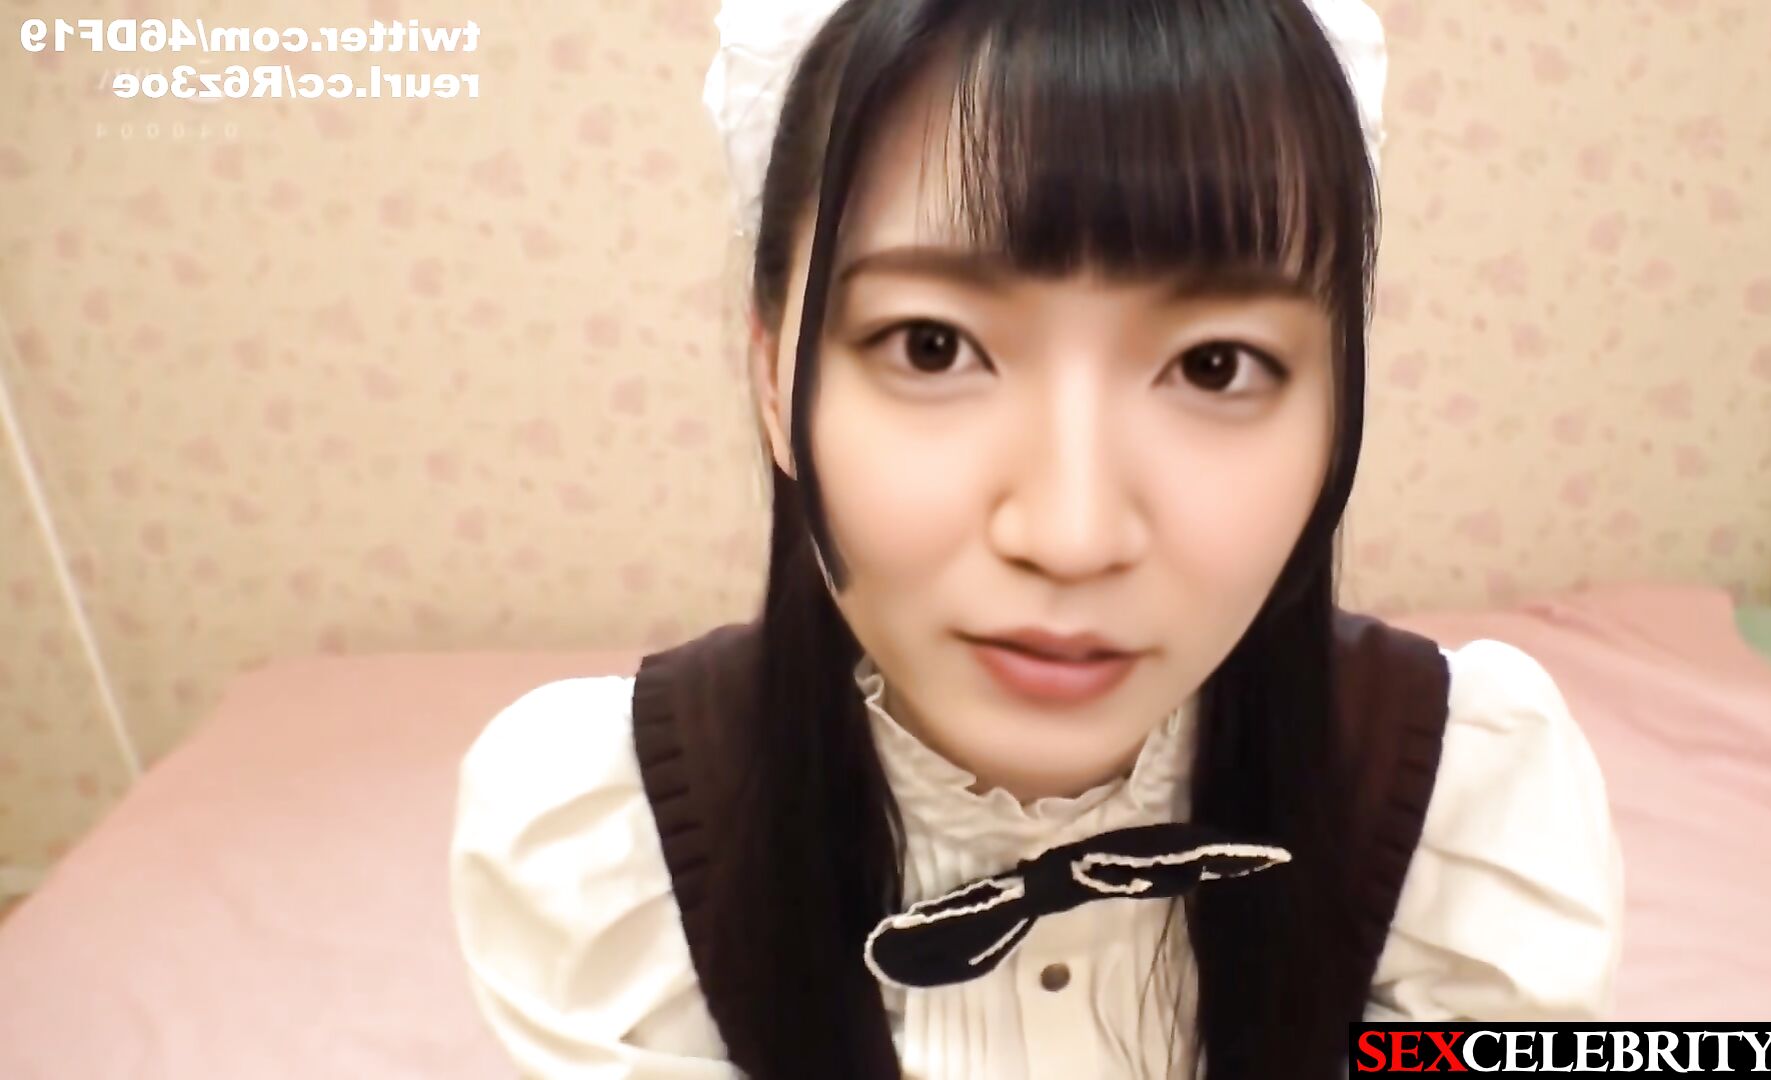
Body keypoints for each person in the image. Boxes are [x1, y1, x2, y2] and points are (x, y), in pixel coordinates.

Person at [449, 0, 1625, 1076]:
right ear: (774, 379)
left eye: (1216, 365)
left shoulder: (1461, 818)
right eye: (932, 347)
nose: (1071, 536)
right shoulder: (608, 853)